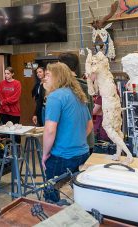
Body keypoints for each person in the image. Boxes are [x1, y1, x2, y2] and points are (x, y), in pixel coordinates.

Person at [41, 62, 93, 204]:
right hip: (82, 153)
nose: (45, 78)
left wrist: (45, 154)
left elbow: (50, 130)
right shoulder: (78, 95)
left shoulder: (55, 96)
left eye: (48, 75)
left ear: (57, 77)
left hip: (62, 155)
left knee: (51, 194)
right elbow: (89, 124)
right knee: (79, 193)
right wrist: (77, 139)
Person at [59, 53, 95, 148]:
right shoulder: (86, 86)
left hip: (74, 142)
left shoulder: (66, 88)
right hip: (86, 140)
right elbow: (91, 110)